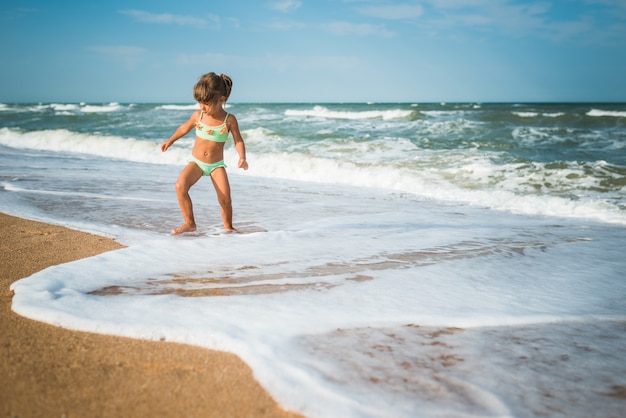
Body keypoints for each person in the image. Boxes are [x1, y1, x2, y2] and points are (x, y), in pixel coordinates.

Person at [161, 72, 248, 235]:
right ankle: (190, 223)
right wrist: (170, 140)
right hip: (197, 163)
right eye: (200, 102)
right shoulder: (198, 115)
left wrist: (242, 157)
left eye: (206, 103)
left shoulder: (229, 120)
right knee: (180, 185)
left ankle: (228, 227)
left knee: (225, 198)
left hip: (216, 166)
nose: (202, 106)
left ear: (220, 99)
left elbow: (239, 140)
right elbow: (183, 128)